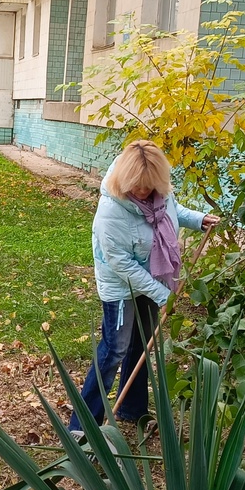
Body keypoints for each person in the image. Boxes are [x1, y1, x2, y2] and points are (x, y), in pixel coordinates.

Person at [67, 140, 217, 438]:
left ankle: (132, 409)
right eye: (137, 188)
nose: (143, 193)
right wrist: (162, 294)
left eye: (149, 188)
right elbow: (122, 265)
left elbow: (172, 210)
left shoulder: (157, 192)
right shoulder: (110, 212)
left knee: (142, 348)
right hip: (121, 288)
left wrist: (199, 220)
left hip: (153, 279)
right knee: (114, 350)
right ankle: (82, 426)